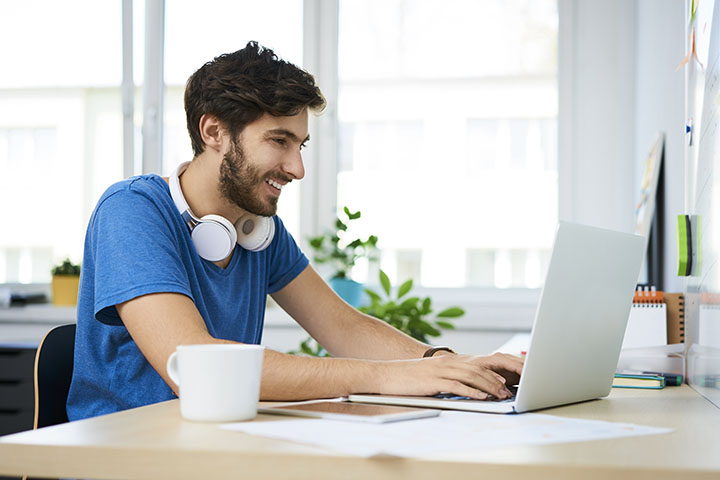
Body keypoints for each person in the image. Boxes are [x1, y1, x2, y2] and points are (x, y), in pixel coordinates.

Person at [66, 41, 523, 421]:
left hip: (220, 448)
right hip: (131, 456)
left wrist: (444, 365)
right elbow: (195, 364)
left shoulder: (257, 228)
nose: (297, 168)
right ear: (214, 132)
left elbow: (343, 326)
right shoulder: (132, 211)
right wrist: (388, 377)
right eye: (279, 141)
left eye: (299, 144)